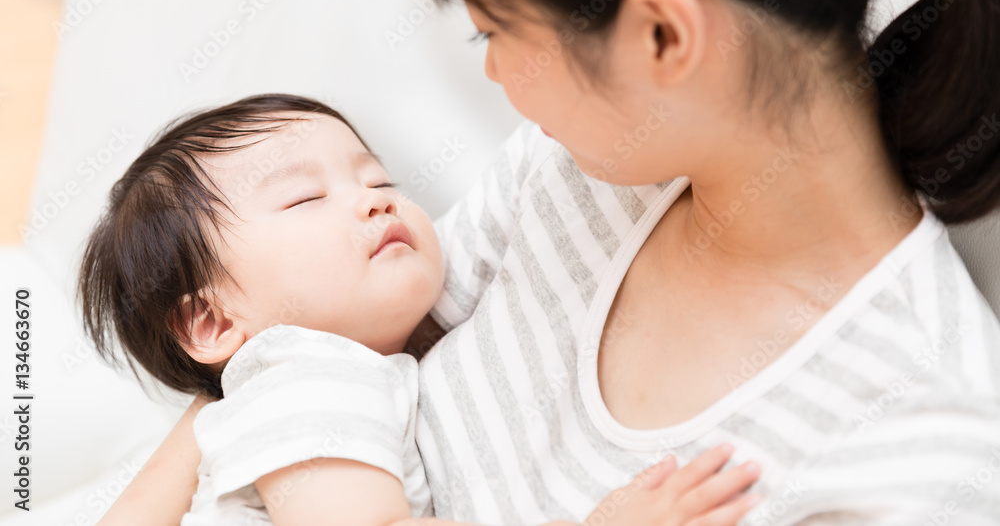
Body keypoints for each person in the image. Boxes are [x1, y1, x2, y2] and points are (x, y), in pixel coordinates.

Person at [97, 0, 1000, 523]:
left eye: (493, 29)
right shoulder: (569, 177)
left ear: (661, 35)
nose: (493, 76)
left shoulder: (915, 450)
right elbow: (298, 350)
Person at [81, 93, 762, 525]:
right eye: (304, 200)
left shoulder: (352, 372)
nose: (374, 199)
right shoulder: (300, 378)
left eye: (379, 179)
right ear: (213, 321)